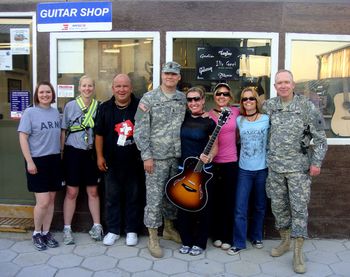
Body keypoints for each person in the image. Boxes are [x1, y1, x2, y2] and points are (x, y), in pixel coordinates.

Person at [262, 69, 328, 274]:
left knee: (299, 210)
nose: (283, 86)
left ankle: (298, 253)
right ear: (274, 86)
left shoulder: (307, 107)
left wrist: (316, 162)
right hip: (275, 169)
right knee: (279, 208)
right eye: (279, 83)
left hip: (299, 169)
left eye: (286, 82)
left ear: (293, 84)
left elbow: (320, 139)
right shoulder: (269, 106)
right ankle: (285, 242)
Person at [134, 61, 187, 258]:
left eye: (174, 74)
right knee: (154, 199)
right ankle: (153, 236)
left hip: (177, 156)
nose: (170, 77)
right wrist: (146, 155)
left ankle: (169, 228)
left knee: (173, 196)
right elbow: (139, 129)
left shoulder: (183, 99)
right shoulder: (148, 99)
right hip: (155, 158)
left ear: (179, 77)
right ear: (161, 75)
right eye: (167, 74)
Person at [95, 74, 144, 247]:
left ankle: (132, 230)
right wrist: (99, 156)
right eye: (118, 86)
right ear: (113, 88)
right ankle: (113, 230)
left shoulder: (140, 106)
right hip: (111, 162)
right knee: (112, 197)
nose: (121, 90)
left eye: (125, 86)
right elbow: (99, 134)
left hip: (135, 162)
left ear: (131, 88)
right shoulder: (104, 108)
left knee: (134, 197)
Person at [18, 81, 62, 251]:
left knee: (51, 200)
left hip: (54, 160)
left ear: (52, 95)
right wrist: (29, 161)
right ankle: (36, 233)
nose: (45, 95)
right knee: (42, 201)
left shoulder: (55, 112)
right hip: (37, 160)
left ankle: (46, 232)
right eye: (42, 92)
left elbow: (58, 136)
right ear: (37, 94)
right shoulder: (30, 112)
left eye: (48, 92)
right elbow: (23, 138)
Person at [61, 75, 103, 245]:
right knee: (72, 192)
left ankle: (97, 226)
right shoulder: (70, 106)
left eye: (90, 86)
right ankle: (67, 228)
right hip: (73, 153)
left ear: (94, 88)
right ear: (79, 88)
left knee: (93, 191)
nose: (87, 89)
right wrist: (61, 153)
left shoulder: (98, 107)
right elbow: (64, 130)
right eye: (84, 86)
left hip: (90, 154)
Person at [176, 87, 218, 256]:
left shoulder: (210, 122)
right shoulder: (183, 118)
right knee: (183, 205)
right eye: (190, 100)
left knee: (202, 207)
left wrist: (209, 156)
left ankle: (200, 242)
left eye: (196, 99)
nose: (193, 103)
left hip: (202, 170)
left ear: (202, 101)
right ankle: (186, 240)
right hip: (183, 169)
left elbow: (215, 146)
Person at [227, 87, 269, 255]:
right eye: (244, 99)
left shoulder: (266, 119)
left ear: (256, 101)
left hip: (262, 169)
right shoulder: (239, 120)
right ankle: (238, 242)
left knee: (259, 205)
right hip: (244, 170)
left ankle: (257, 236)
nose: (248, 101)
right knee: (240, 207)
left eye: (251, 98)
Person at [208, 83, 240, 250]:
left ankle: (227, 236)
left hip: (230, 162)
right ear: (214, 97)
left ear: (230, 97)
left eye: (225, 94)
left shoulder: (236, 112)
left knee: (228, 201)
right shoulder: (208, 115)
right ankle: (217, 234)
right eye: (219, 94)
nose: (222, 96)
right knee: (215, 200)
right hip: (214, 163)